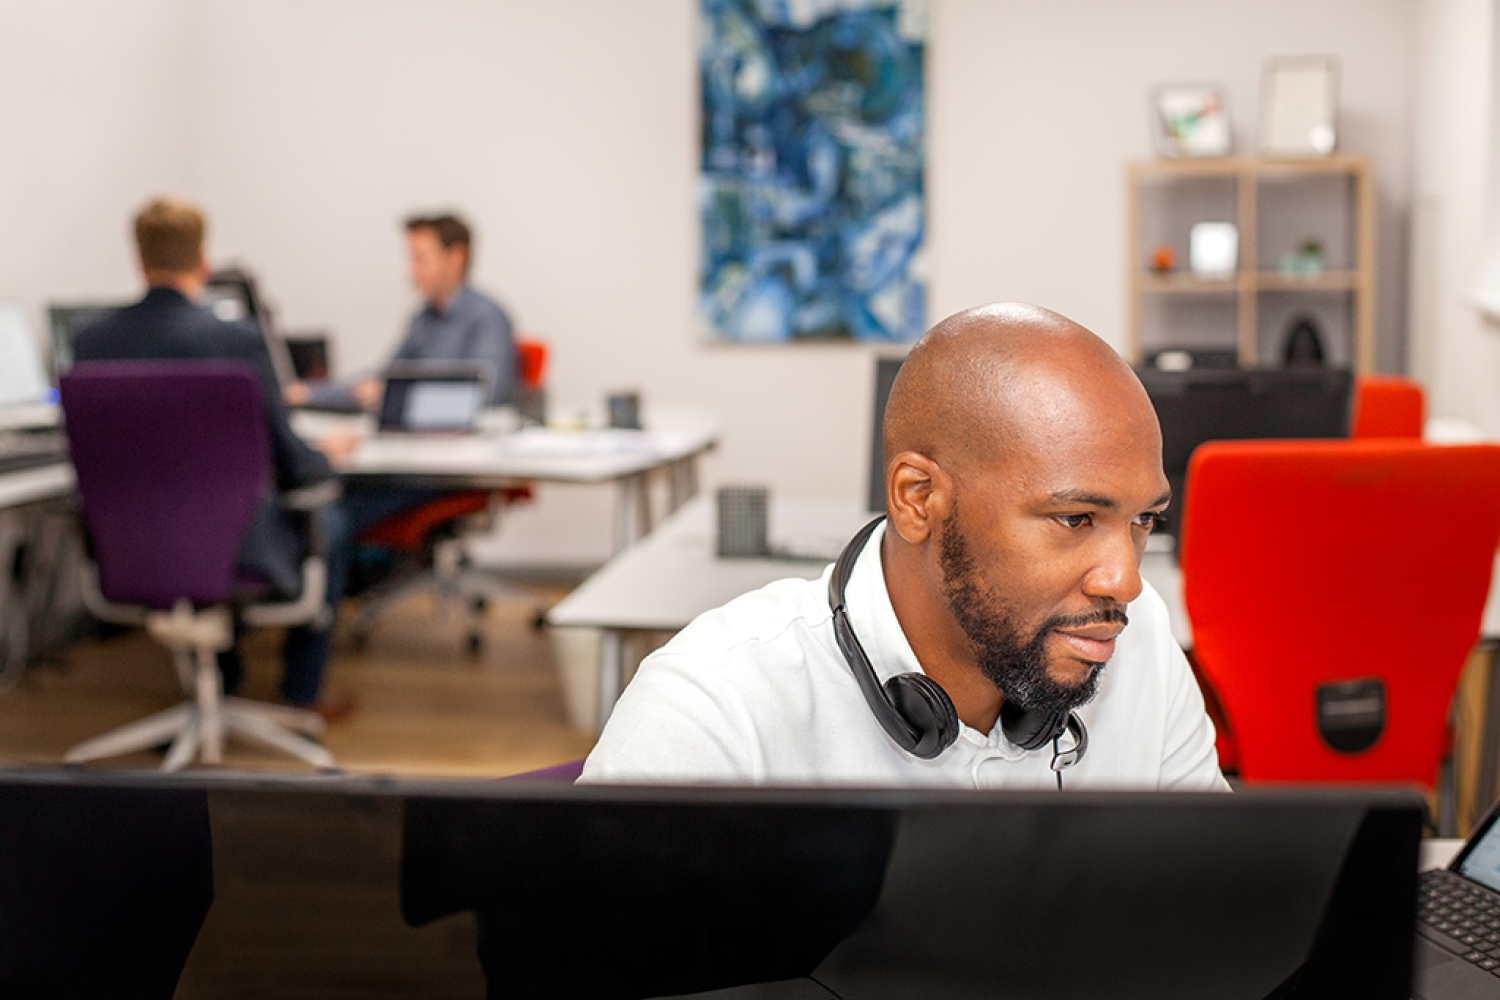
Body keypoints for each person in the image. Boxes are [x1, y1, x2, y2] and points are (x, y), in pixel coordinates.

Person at [582, 303, 1227, 790]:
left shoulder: (1140, 646)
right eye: (1075, 518)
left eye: (1144, 520)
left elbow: (1220, 911)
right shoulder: (714, 712)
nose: (1125, 582)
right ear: (918, 498)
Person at [73, 197, 355, 718]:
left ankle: (221, 683)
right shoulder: (236, 341)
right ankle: (301, 694)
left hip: (134, 552)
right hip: (235, 553)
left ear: (139, 262)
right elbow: (294, 464)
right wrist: (324, 454)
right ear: (202, 261)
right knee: (331, 519)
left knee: (208, 529)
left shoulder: (89, 342)